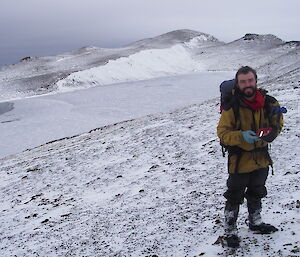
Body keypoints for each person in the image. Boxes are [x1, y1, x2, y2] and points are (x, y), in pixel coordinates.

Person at [217, 66, 284, 248]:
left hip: (261, 158)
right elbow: (222, 133)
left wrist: (271, 133)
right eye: (243, 81)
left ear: (255, 80)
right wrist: (240, 136)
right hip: (239, 161)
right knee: (234, 195)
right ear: (238, 84)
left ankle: (255, 222)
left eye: (250, 80)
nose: (247, 84)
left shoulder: (269, 102)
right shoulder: (232, 107)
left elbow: (278, 123)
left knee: (257, 191)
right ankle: (230, 231)